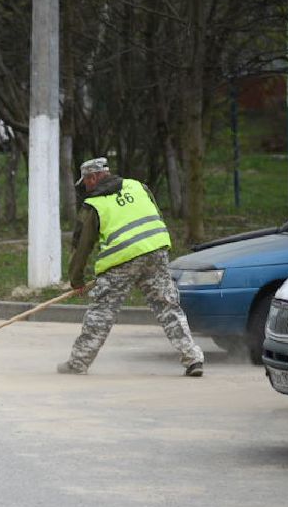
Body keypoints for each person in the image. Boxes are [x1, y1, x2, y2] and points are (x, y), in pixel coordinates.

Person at [59, 156, 204, 377]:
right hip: (155, 252)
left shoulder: (94, 204)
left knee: (102, 312)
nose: (85, 186)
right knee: (168, 307)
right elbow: (157, 215)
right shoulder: (137, 186)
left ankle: (78, 363)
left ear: (94, 177)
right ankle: (193, 358)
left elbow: (81, 246)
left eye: (86, 181)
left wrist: (76, 280)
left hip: (121, 260)